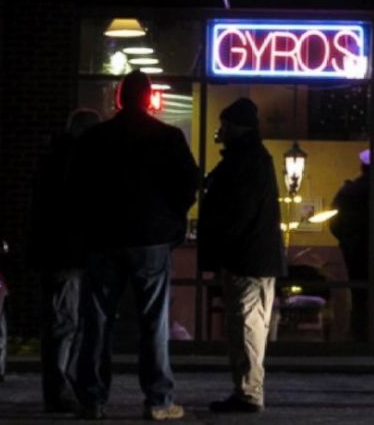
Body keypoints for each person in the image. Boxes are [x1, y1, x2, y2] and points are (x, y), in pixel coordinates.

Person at [69, 70, 199, 421]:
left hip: (104, 238)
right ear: (149, 99)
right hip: (151, 240)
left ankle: (92, 398)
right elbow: (190, 182)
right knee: (153, 321)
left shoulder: (96, 138)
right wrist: (172, 221)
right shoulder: (167, 137)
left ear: (119, 97)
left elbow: (76, 186)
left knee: (97, 320)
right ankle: (158, 399)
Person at [197, 98, 286, 414]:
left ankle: (248, 393)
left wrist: (220, 244)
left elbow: (234, 211)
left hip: (246, 258)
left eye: (224, 125)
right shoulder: (253, 159)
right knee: (249, 326)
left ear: (236, 127)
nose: (220, 131)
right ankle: (247, 389)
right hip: (253, 256)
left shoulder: (244, 161)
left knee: (247, 326)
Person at [28, 108, 100, 413]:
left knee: (63, 323)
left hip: (59, 256)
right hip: (68, 257)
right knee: (66, 324)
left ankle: (60, 389)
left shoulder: (54, 158)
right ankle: (60, 390)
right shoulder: (74, 162)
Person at [330, 149, 374, 343]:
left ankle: (360, 339)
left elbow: (334, 222)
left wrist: (346, 240)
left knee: (359, 296)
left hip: (355, 251)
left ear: (362, 167)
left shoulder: (348, 190)